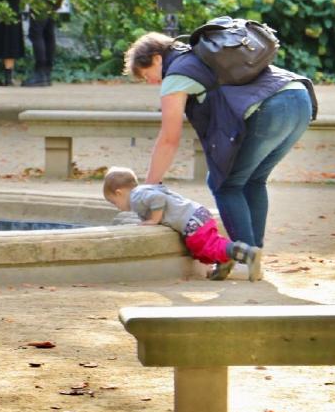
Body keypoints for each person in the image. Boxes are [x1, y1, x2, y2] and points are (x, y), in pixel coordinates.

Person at [123, 31, 317, 279]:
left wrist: (149, 189)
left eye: (146, 75)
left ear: (157, 58)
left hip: (273, 108)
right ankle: (252, 254)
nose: (151, 82)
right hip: (299, 97)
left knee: (223, 183)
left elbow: (169, 139)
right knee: (253, 180)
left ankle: (244, 256)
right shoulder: (202, 55)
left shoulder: (176, 74)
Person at [103, 166, 261, 280]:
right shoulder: (143, 190)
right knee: (206, 246)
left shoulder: (135, 197)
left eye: (114, 202)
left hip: (191, 221)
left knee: (206, 246)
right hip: (198, 214)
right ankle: (223, 262)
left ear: (119, 192)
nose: (117, 207)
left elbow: (158, 199)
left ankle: (246, 253)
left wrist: (155, 220)